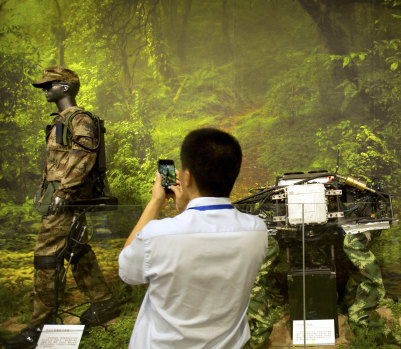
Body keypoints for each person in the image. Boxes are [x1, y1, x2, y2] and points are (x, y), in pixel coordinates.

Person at [118, 128, 268, 349]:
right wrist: (187, 212)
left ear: (186, 177)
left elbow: (128, 271)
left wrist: (156, 202)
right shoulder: (257, 230)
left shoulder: (157, 235)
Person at [6, 66, 118, 349]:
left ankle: (38, 325)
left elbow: (83, 156)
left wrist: (64, 191)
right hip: (62, 197)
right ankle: (104, 303)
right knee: (76, 250)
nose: (45, 89)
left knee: (46, 256)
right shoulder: (63, 120)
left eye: (50, 85)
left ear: (66, 87)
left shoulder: (79, 119)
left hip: (68, 200)